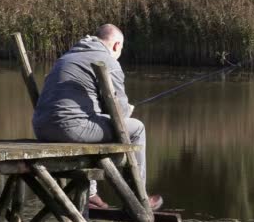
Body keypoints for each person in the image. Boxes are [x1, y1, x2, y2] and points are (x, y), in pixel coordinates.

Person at [32, 24, 163, 210]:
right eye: (121, 48)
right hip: (70, 129)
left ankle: (91, 195)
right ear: (117, 45)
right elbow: (120, 112)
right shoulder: (108, 62)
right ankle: (138, 196)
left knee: (94, 121)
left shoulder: (66, 57)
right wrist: (128, 110)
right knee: (137, 127)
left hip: (42, 128)